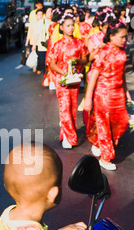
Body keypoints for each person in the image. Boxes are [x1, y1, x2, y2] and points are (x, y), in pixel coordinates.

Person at [84, 20, 131, 171]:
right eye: (122, 37)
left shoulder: (123, 54)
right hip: (103, 94)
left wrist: (127, 92)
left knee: (121, 123)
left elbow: (122, 75)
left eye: (125, 37)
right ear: (111, 36)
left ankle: (98, 142)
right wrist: (88, 98)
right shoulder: (102, 53)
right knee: (104, 126)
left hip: (118, 94)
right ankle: (106, 157)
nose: (125, 40)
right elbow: (94, 76)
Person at [49, 13, 88, 150]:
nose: (71, 28)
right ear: (62, 28)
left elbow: (85, 60)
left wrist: (78, 62)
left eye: (72, 25)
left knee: (72, 107)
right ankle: (69, 136)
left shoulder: (80, 43)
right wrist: (64, 74)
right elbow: (52, 64)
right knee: (64, 107)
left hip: (75, 80)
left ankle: (66, 132)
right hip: (62, 80)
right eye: (67, 26)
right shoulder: (58, 45)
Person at [33, 7, 52, 76]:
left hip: (51, 47)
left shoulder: (54, 22)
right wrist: (34, 45)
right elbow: (36, 34)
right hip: (42, 47)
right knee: (43, 62)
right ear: (45, 13)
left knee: (51, 63)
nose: (50, 13)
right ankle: (45, 75)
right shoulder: (40, 22)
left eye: (51, 12)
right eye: (49, 12)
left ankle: (50, 77)